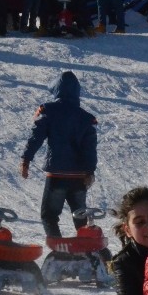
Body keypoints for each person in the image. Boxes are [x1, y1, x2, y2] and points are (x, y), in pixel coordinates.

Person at [20, 70, 97, 238]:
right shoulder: (86, 118)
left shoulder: (49, 110)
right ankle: (87, 252)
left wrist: (26, 159)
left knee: (49, 216)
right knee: (80, 218)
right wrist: (90, 171)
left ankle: (58, 252)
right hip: (79, 177)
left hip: (57, 175)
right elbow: (90, 149)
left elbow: (36, 137)